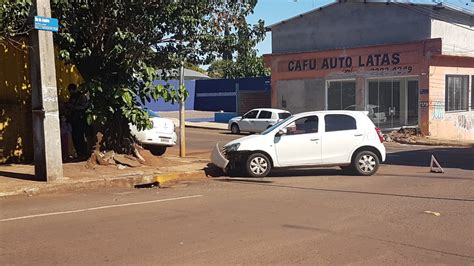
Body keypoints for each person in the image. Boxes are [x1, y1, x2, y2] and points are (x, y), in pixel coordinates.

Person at [65, 84, 89, 158]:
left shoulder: (81, 96)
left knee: (80, 137)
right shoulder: (72, 97)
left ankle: (83, 153)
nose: (70, 92)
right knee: (75, 137)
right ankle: (79, 153)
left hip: (80, 120)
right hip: (73, 120)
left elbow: (84, 107)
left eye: (71, 90)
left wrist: (74, 107)